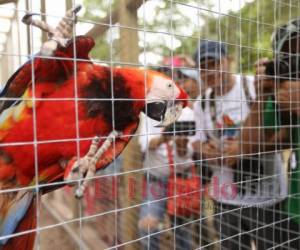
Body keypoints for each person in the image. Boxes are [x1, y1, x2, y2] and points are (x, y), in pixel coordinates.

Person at [192, 40, 289, 249]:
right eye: (203, 66)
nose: (209, 71)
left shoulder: (254, 86)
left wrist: (243, 150)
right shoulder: (201, 102)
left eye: (214, 62)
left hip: (266, 197)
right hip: (225, 199)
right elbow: (198, 142)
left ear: (229, 61)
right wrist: (206, 151)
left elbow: (285, 135)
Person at [138, 106, 197, 250]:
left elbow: (189, 151)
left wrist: (181, 145)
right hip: (156, 181)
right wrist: (165, 137)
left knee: (183, 235)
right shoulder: (149, 113)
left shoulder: (188, 113)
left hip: (181, 181)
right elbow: (145, 145)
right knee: (147, 230)